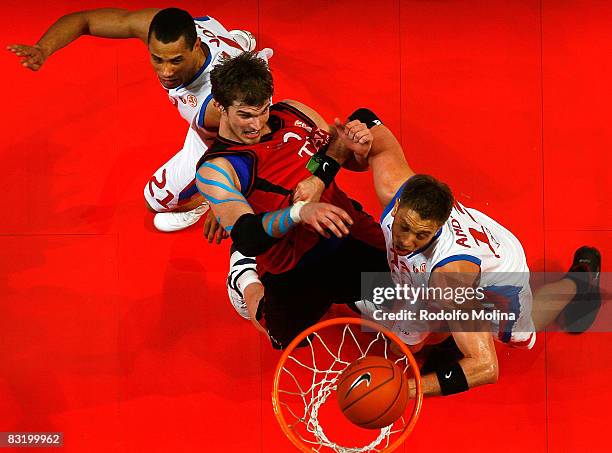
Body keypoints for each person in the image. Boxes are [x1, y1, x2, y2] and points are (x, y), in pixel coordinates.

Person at [339, 113, 602, 397]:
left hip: (496, 275)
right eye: (403, 227)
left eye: (421, 235)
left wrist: (407, 390)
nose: (405, 241)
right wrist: (358, 140)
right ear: (399, 203)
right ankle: (445, 336)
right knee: (403, 343)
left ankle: (579, 280)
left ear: (438, 227)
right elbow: (368, 120)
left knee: (520, 333)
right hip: (444, 270)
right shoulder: (393, 186)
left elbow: (486, 367)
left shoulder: (449, 283)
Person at [7, 7, 269, 233]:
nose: (165, 71)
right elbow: (84, 20)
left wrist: (223, 198)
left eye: (176, 61)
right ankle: (240, 45)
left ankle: (200, 201)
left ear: (195, 46)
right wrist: (43, 48)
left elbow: (252, 145)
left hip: (220, 131)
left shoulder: (214, 102)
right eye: (157, 59)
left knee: (156, 199)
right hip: (226, 59)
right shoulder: (163, 32)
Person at [195, 52, 390, 349]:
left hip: (344, 230)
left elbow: (340, 158)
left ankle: (352, 295)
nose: (256, 124)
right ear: (220, 106)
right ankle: (243, 277)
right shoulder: (218, 167)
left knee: (411, 293)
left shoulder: (294, 113)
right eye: (245, 115)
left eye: (263, 110)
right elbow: (248, 237)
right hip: (291, 263)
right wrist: (300, 212)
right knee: (288, 340)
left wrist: (358, 150)